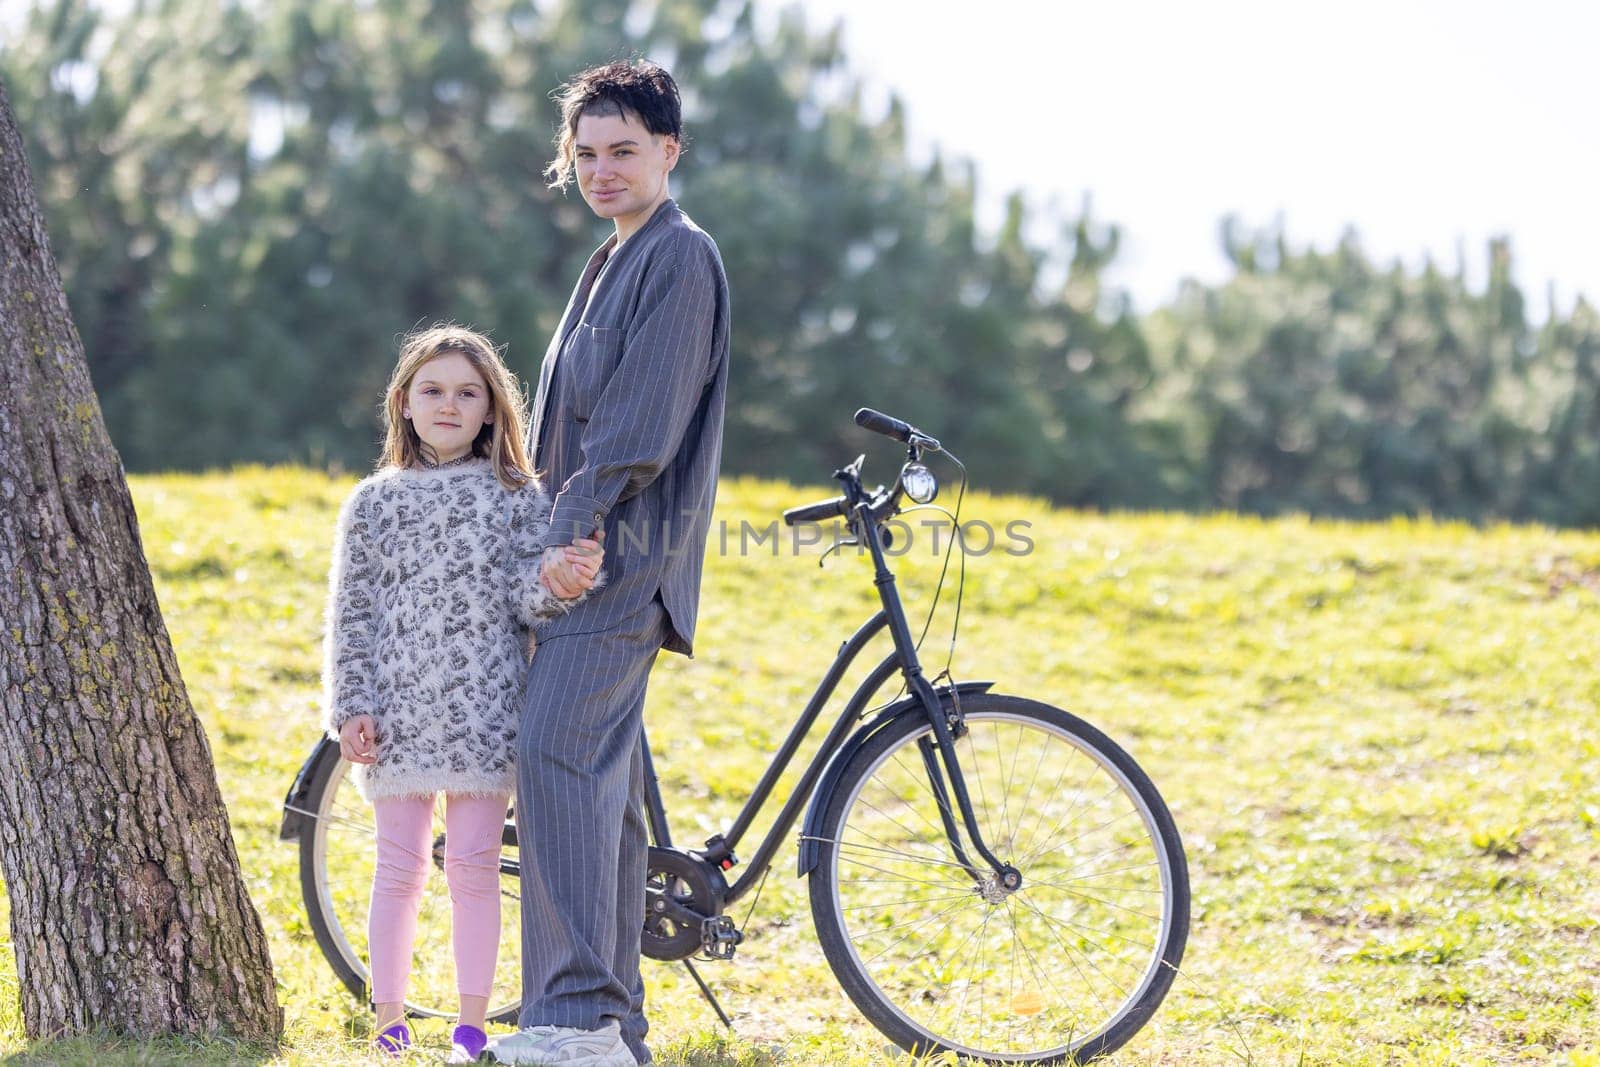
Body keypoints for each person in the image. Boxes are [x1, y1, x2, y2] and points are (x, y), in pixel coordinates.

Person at [488, 60, 731, 1067]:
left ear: (668, 151)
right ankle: (611, 1025)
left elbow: (635, 429)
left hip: (612, 561)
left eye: (622, 149)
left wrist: (569, 531)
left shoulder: (680, 256)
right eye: (584, 153)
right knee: (603, 793)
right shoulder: (608, 259)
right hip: (577, 556)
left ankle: (576, 1019)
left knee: (552, 754)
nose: (600, 168)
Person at [321, 324, 605, 1062]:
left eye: (468, 392)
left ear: (492, 411)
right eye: (433, 390)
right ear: (405, 404)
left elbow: (523, 597)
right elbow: (351, 614)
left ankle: (471, 1027)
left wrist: (558, 582)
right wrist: (350, 705)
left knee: (474, 867)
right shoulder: (374, 503)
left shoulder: (517, 497)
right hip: (397, 715)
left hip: (488, 710)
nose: (449, 404)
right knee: (399, 867)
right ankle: (388, 1023)